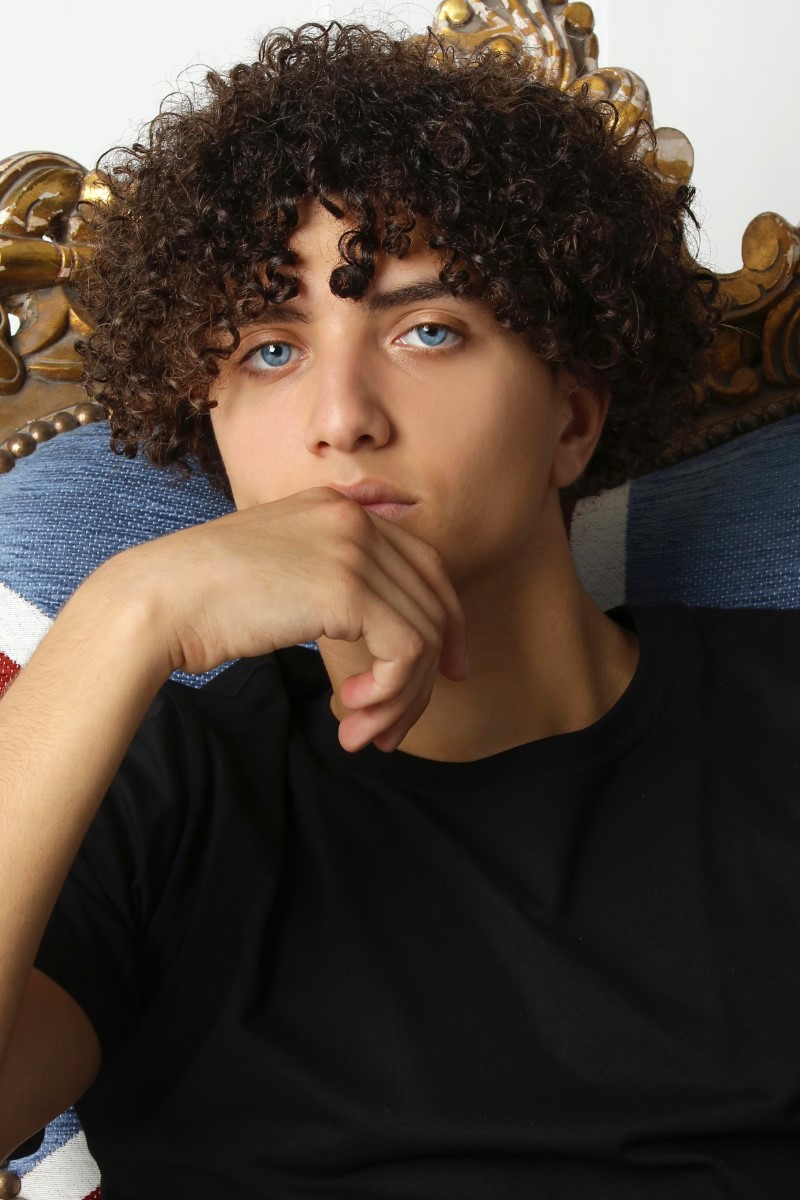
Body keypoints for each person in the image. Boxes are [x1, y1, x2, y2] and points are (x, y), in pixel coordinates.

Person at [2, 18, 798, 1199]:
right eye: (269, 350)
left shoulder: (775, 720)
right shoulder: (155, 789)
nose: (342, 418)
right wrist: (127, 609)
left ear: (571, 420)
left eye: (429, 331)